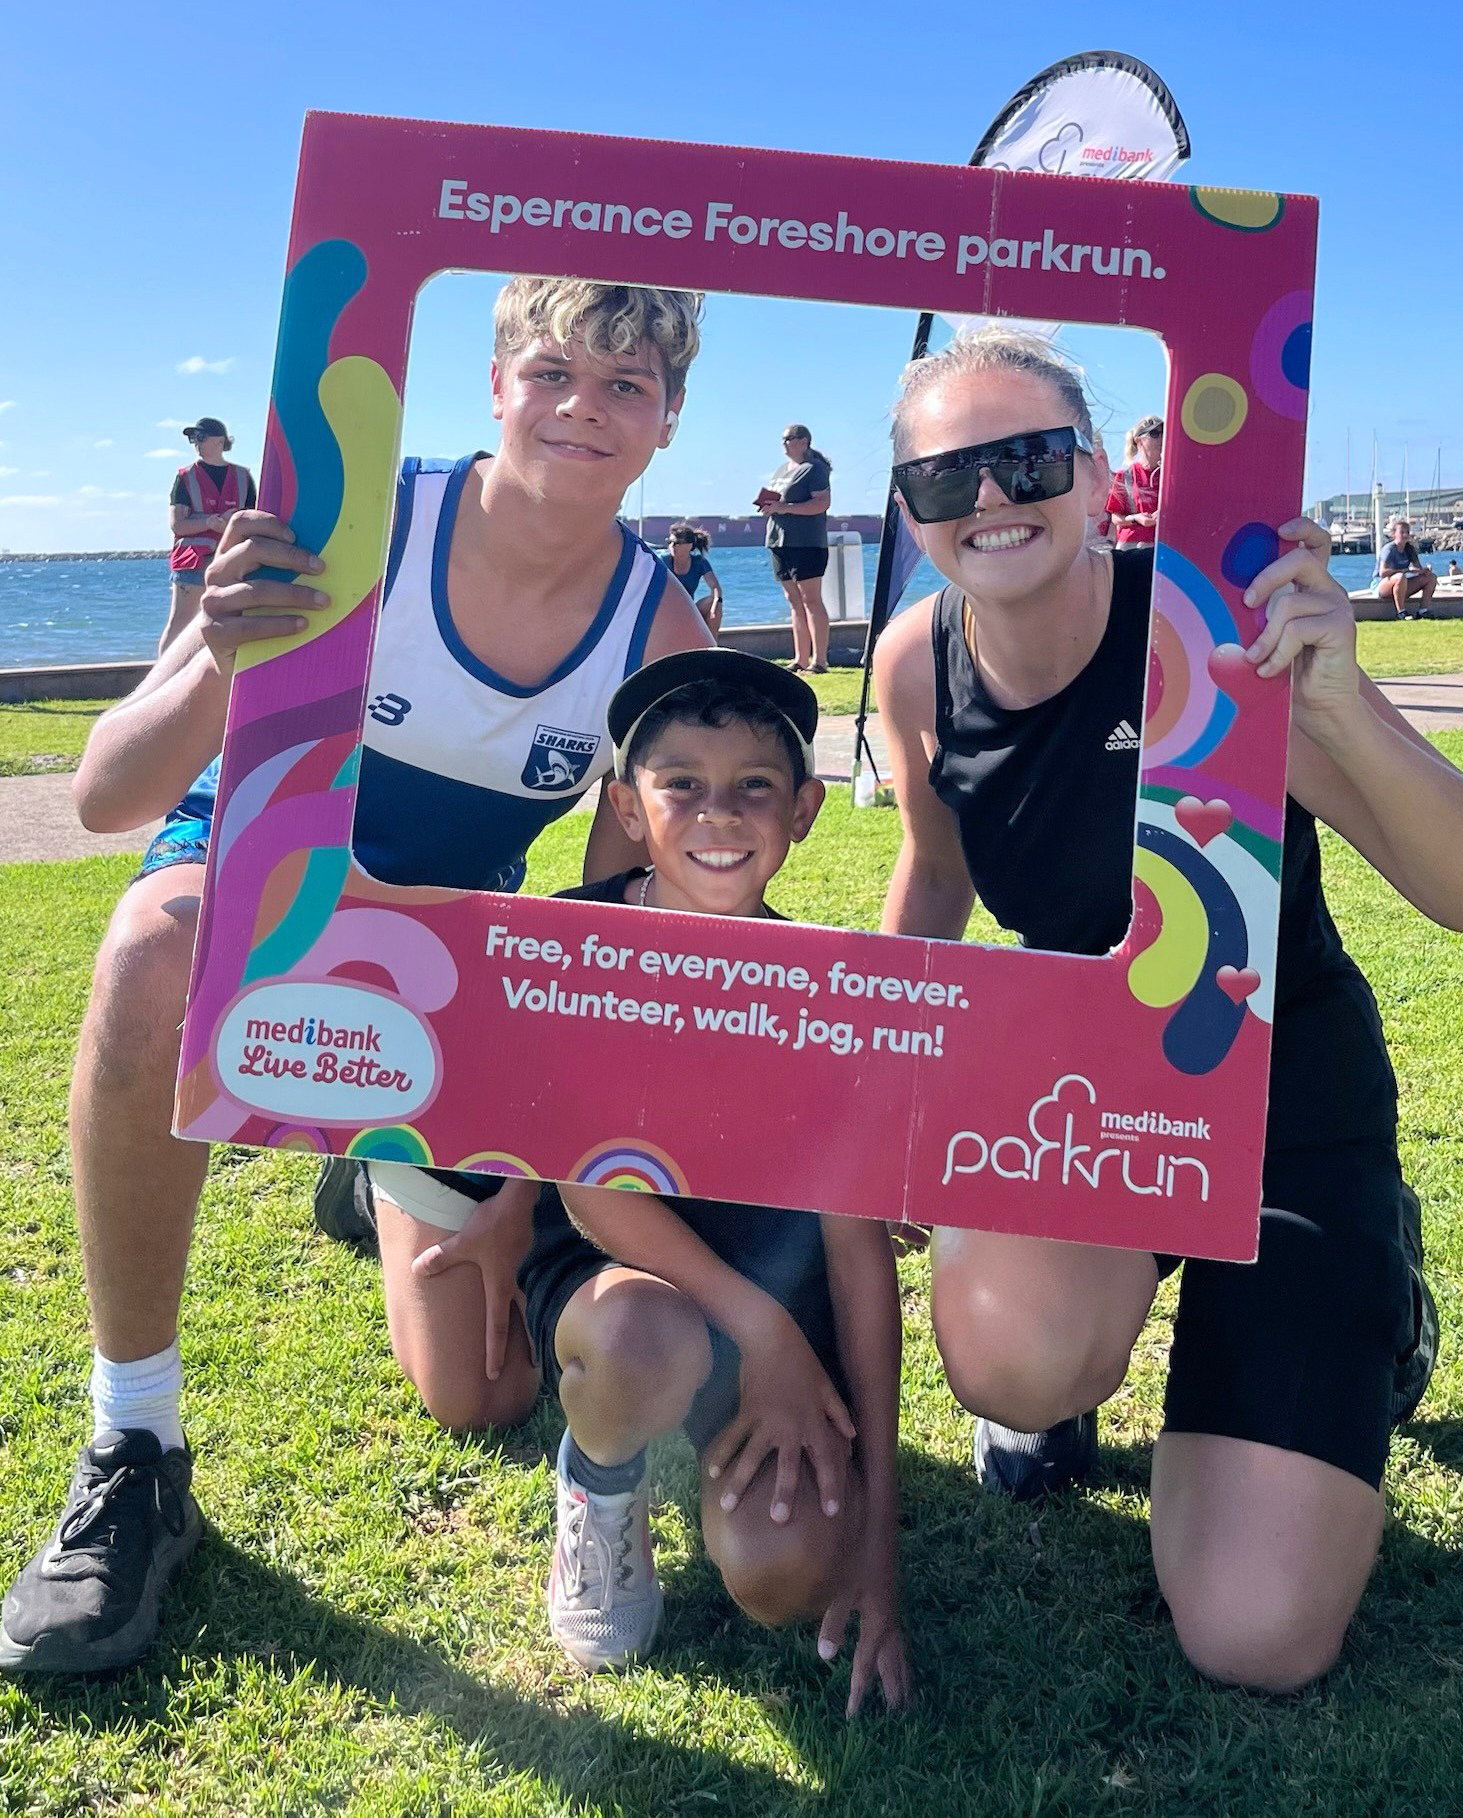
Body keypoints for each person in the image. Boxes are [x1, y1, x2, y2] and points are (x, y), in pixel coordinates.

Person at [0, 278, 716, 1677]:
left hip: (442, 960)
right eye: (555, 370)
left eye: (627, 387)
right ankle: (133, 1438)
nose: (583, 407)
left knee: (486, 1396)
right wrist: (221, 641)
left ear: (670, 421)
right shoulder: (359, 524)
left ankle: (370, 1167)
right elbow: (102, 796)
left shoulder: (660, 631)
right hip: (252, 888)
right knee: (153, 948)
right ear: (496, 379)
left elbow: (628, 906)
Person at [872, 326, 1463, 1694]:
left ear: (1092, 471)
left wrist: (1340, 709)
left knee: (1253, 1633)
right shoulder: (908, 660)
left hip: (1282, 1104)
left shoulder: (1213, 634)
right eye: (948, 479)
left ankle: (1368, 1285)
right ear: (908, 509)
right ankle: (1083, 1367)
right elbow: (934, 870)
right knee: (1011, 1358)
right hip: (1084, 1106)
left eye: (1024, 459)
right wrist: (895, 1099)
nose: (990, 501)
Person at [399, 651, 912, 1709]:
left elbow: (861, 1261)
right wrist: (761, 1329)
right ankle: (601, 1485)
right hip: (614, 1272)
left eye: (754, 786)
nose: (717, 814)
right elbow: (594, 1187)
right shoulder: (571, 941)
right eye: (681, 783)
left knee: (783, 1573)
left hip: (763, 1286)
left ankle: (716, 1431)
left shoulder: (836, 994)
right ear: (628, 808)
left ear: (806, 808)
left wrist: (878, 1538)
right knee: (615, 1350)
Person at [162, 419, 256, 653]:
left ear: (220, 441)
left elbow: (253, 520)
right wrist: (210, 522)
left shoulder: (243, 477)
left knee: (225, 622)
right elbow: (178, 525)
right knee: (180, 622)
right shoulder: (185, 477)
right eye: (193, 438)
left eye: (201, 437)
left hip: (230, 560)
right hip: (193, 561)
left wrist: (232, 521)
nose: (196, 443)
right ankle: (160, 679)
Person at [758, 424, 832, 672]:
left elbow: (821, 503)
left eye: (788, 438)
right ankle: (800, 658)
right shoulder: (781, 470)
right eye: (782, 439)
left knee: (811, 599)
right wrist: (771, 506)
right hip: (779, 540)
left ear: (804, 441)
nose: (784, 443)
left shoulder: (814, 469)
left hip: (807, 542)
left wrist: (785, 508)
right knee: (793, 600)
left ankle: (819, 660)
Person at [1103, 413, 1163, 546]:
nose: (1161, 438)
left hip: (1163, 547)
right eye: (1154, 433)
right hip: (1131, 547)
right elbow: (1116, 518)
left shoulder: (1170, 475)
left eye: (1164, 433)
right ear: (1138, 440)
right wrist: (1137, 518)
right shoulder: (1126, 476)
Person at [665, 521, 724, 635]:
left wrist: (716, 604)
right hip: (667, 612)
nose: (672, 546)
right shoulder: (662, 561)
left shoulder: (699, 562)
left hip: (688, 610)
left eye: (677, 543)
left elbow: (715, 586)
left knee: (714, 602)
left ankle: (712, 648)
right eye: (669, 542)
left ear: (689, 545)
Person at [1376, 519, 1436, 619]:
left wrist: (1425, 571)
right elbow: (1382, 573)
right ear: (1394, 534)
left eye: (1407, 532)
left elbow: (1418, 569)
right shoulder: (1389, 549)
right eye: (1402, 532)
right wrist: (1406, 570)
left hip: (1401, 585)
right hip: (1382, 585)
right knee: (1400, 577)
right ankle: (1401, 612)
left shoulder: (1410, 549)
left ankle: (1423, 610)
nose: (1405, 535)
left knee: (1431, 577)